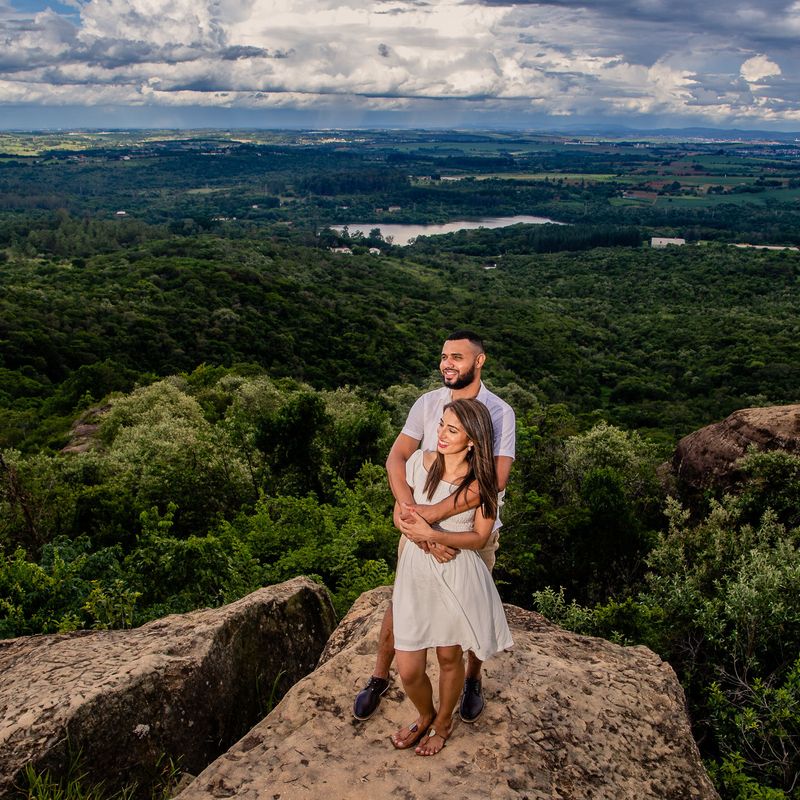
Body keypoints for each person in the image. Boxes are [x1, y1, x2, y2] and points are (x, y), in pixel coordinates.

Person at [352, 330, 515, 723]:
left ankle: (472, 680)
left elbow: (496, 479)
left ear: (479, 361)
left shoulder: (498, 411)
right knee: (403, 600)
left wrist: (433, 519)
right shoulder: (428, 403)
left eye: (458, 357)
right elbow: (398, 457)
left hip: (469, 531)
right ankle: (379, 675)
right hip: (418, 524)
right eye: (444, 356)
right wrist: (411, 513)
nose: (448, 363)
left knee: (470, 610)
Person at [389, 398, 513, 754]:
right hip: (415, 573)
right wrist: (428, 543)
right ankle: (425, 713)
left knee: (448, 657)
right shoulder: (419, 463)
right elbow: (402, 515)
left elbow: (479, 537)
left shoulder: (484, 483)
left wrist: (436, 536)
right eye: (442, 424)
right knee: (409, 666)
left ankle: (442, 723)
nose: (441, 434)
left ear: (472, 439)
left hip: (457, 574)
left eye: (452, 429)